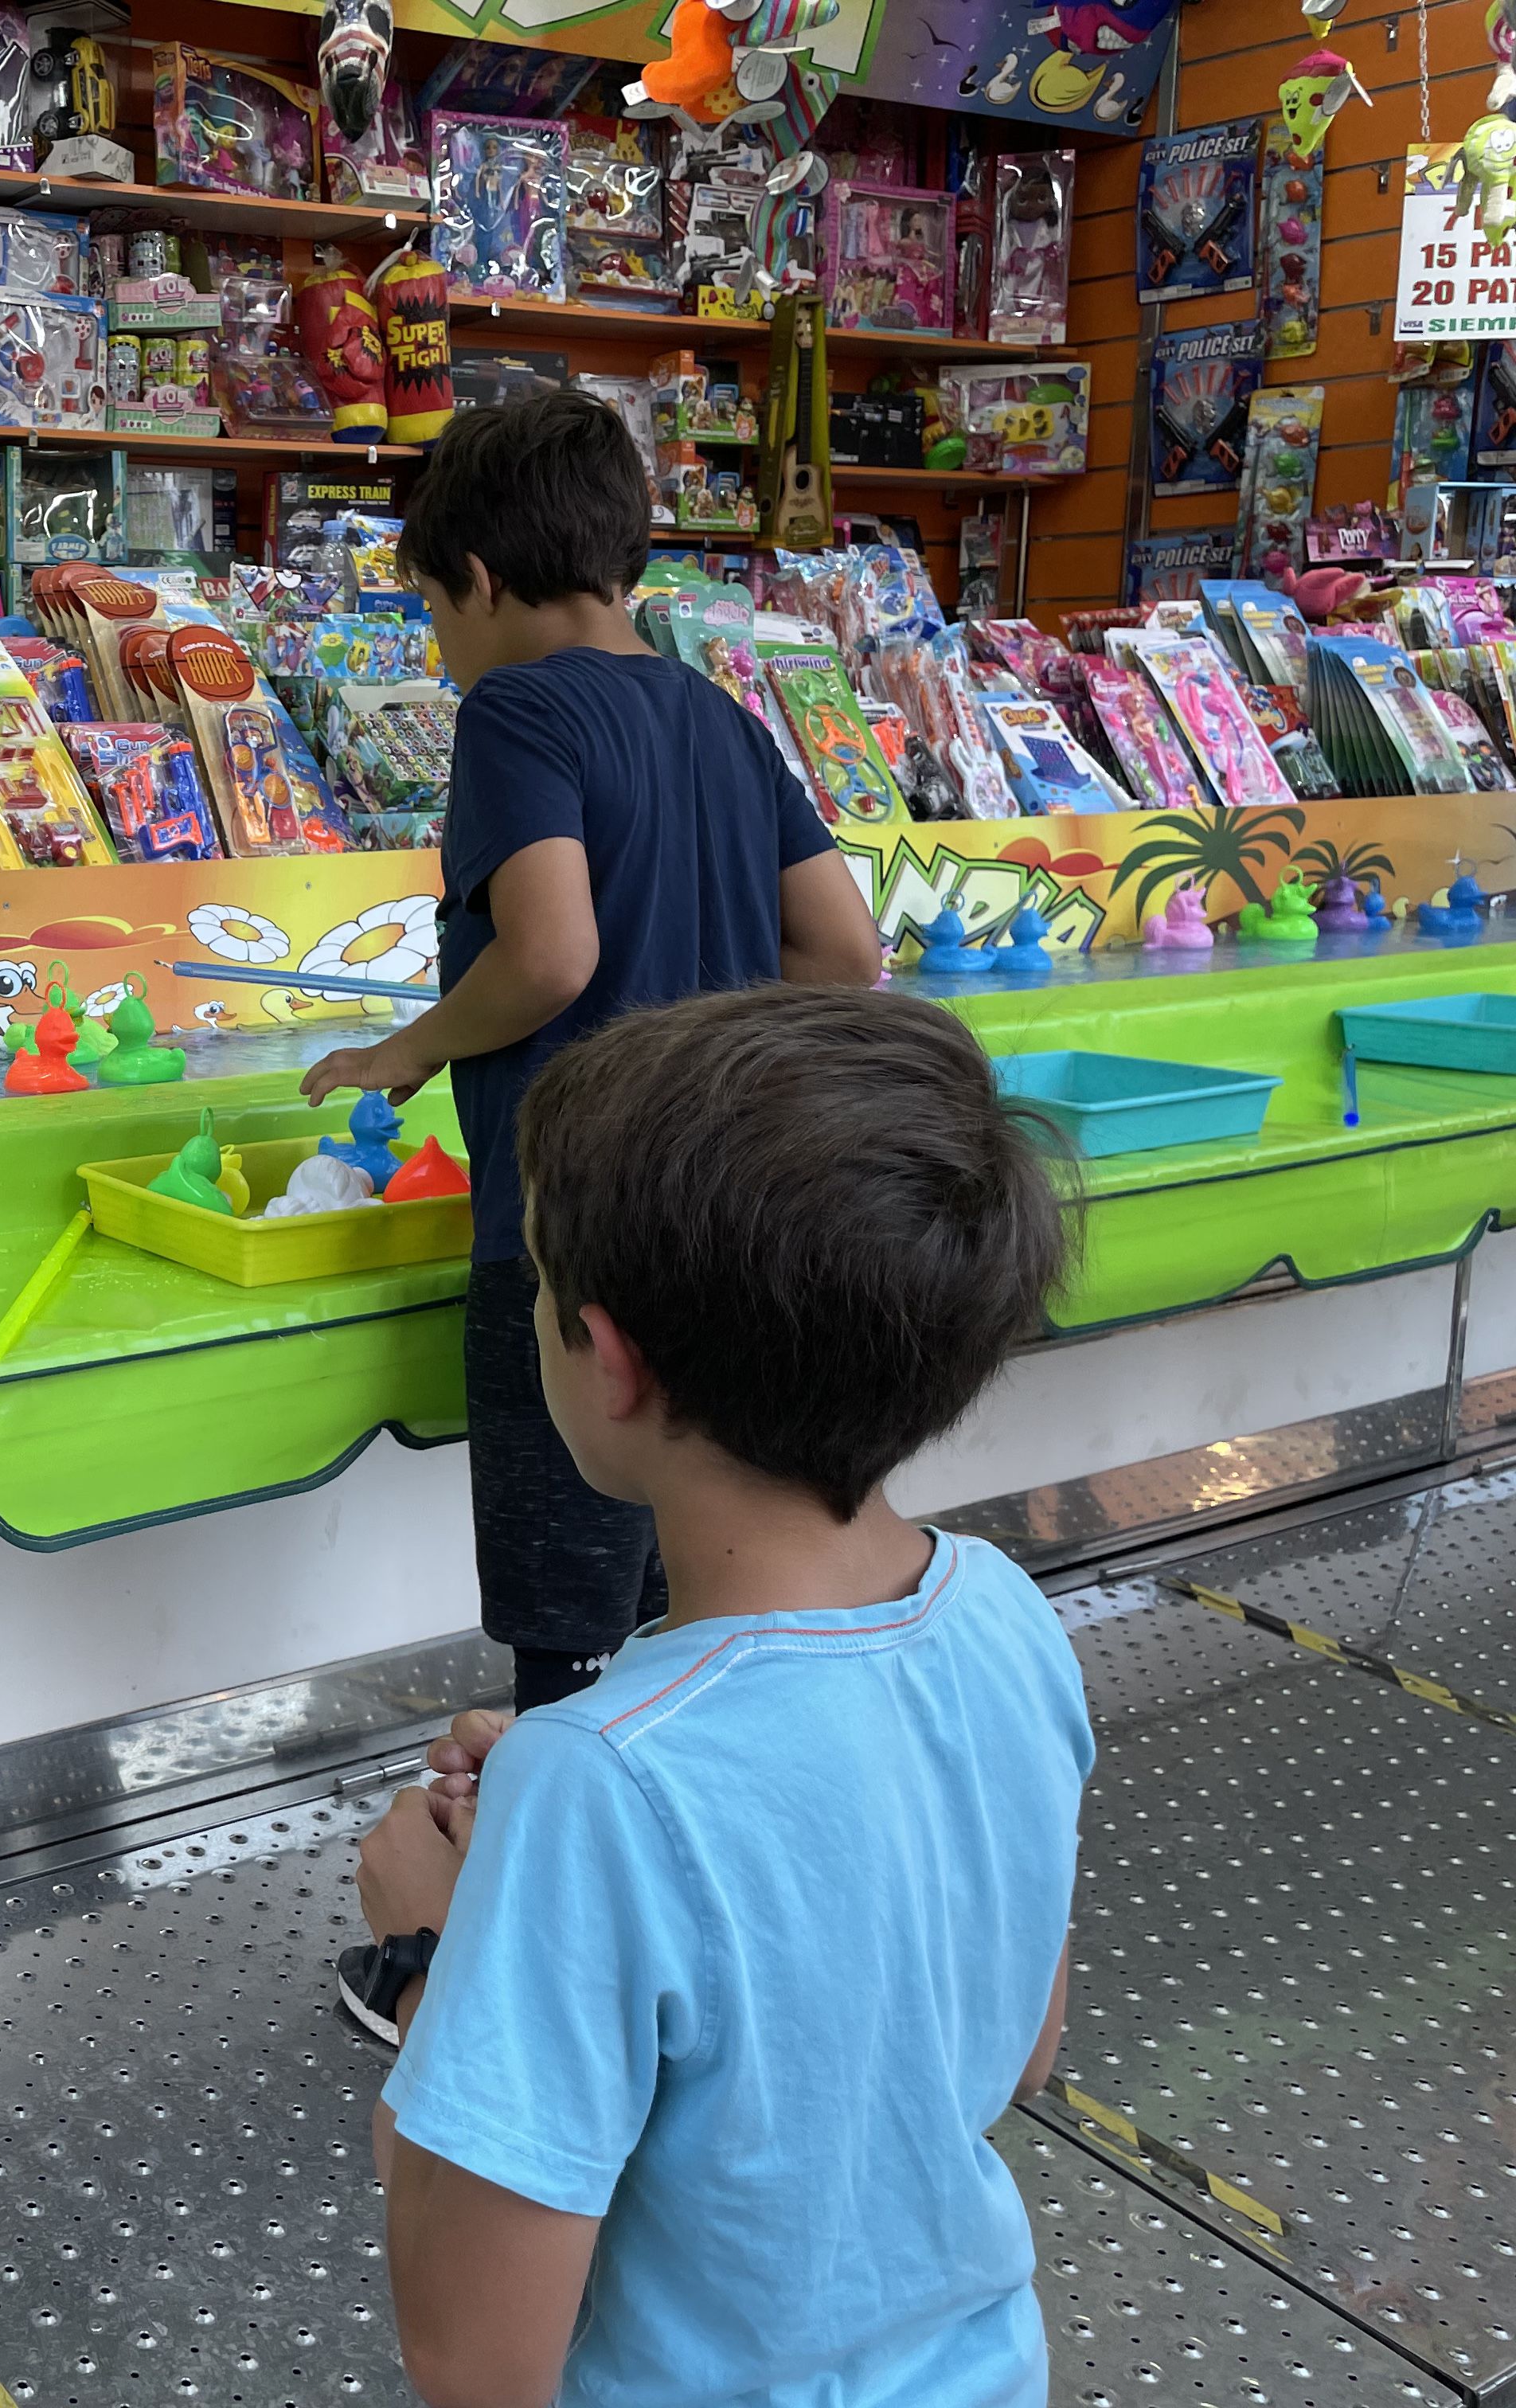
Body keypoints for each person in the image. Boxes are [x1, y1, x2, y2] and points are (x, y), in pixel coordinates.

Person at [352, 984, 1088, 2408]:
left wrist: (429, 1953)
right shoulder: (1006, 1614)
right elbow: (1016, 2059)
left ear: (608, 1359)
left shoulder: (598, 1790)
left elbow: (473, 2359)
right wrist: (593, 1817)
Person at [305, 389, 882, 2040]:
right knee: (678, 1623)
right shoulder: (714, 716)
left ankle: (490, 1990)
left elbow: (547, 956)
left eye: (428, 607)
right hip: (717, 1231)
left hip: (572, 1254)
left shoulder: (521, 718)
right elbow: (843, 957)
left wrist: (407, 1047)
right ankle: (704, 1936)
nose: (436, 645)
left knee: (560, 1655)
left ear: (478, 572)